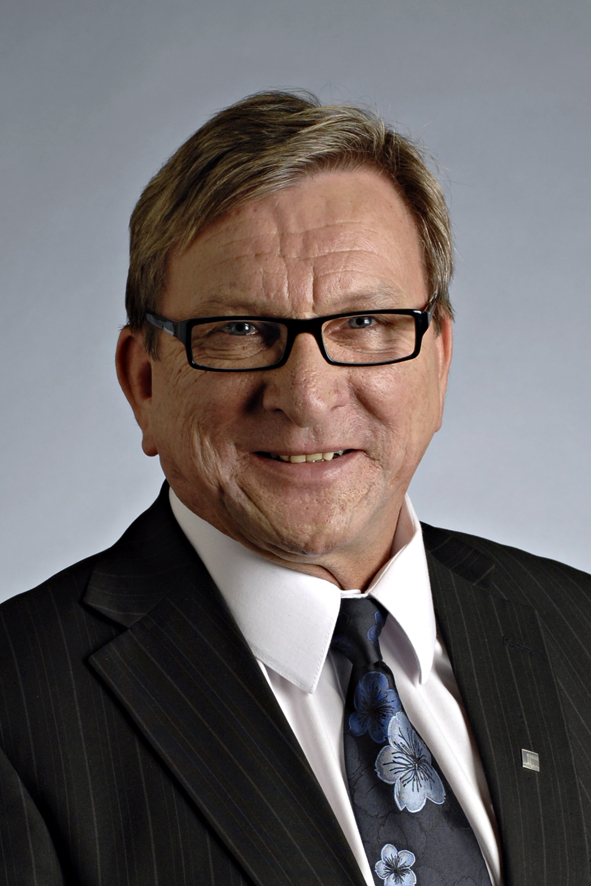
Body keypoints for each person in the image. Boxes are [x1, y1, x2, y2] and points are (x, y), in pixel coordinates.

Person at [0, 90, 590, 886]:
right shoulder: (20, 708)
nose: (307, 396)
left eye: (365, 323)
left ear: (439, 359)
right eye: (240, 331)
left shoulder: (575, 630)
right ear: (144, 381)